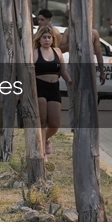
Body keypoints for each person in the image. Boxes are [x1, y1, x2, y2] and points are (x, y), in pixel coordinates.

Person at [34, 26, 71, 159]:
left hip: (54, 88)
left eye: (49, 37)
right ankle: (42, 152)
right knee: (43, 121)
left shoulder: (57, 52)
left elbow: (63, 70)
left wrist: (69, 81)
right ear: (39, 39)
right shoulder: (35, 53)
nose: (47, 40)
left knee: (55, 124)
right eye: (44, 37)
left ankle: (44, 139)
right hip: (40, 87)